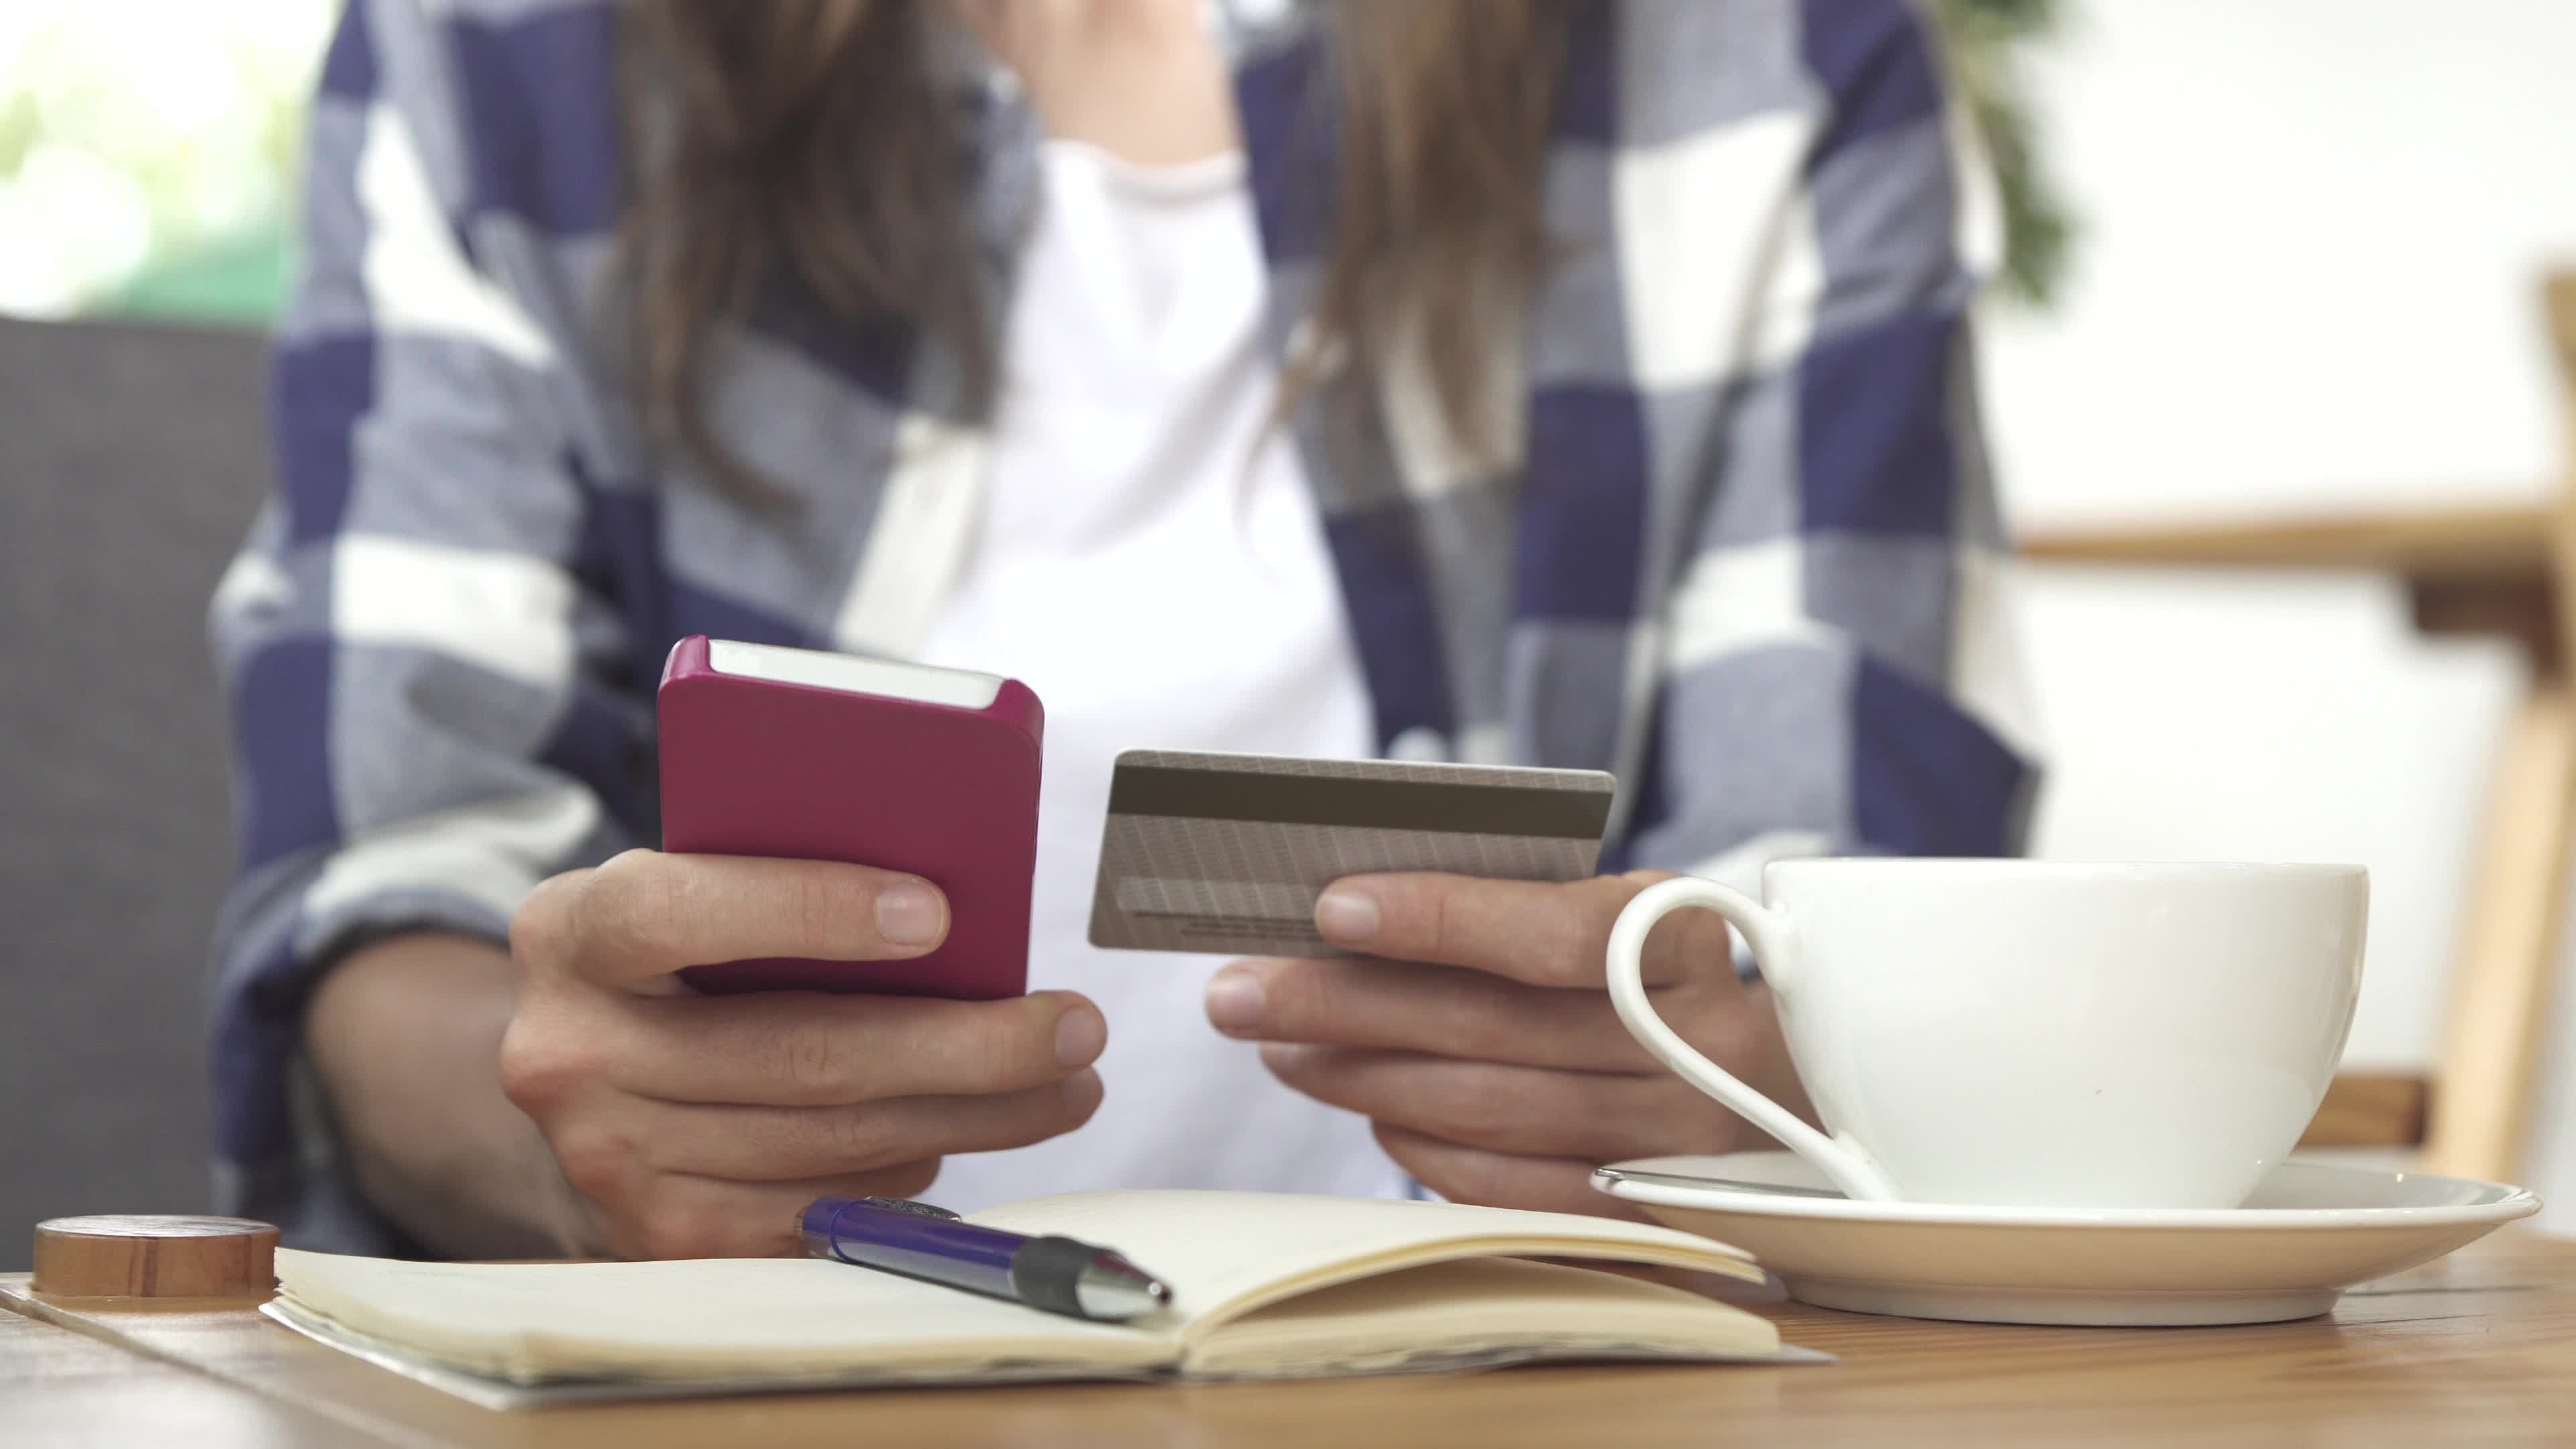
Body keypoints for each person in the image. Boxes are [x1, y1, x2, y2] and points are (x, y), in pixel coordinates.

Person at [211, 0, 2037, 1260]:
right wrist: (576, 1126)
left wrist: (1748, 1075)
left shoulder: (1780, 51)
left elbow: (1843, 892)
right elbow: (391, 896)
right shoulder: (495, 51)